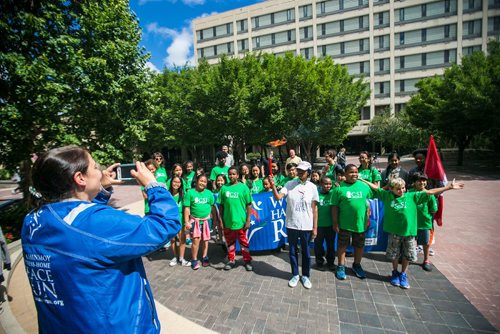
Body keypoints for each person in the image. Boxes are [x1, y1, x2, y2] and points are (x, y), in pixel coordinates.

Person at [22, 146, 181, 332]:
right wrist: (154, 186)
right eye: (95, 167)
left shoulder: (33, 221)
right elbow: (166, 223)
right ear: (80, 178)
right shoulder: (94, 224)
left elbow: (83, 236)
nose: (100, 172)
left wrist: (100, 189)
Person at [360, 176, 463, 289]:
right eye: (398, 189)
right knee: (394, 255)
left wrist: (448, 187)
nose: (401, 191)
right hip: (394, 232)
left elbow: (430, 192)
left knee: (407, 255)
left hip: (408, 233)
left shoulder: (412, 196)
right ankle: (395, 272)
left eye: (403, 188)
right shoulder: (387, 196)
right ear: (392, 189)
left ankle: (403, 274)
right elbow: (376, 188)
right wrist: (362, 180)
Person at [271, 161, 318, 289]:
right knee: (292, 251)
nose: (300, 173)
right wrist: (273, 185)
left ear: (309, 172)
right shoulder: (289, 184)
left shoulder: (313, 187)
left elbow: (314, 209)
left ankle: (306, 276)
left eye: (303, 171)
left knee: (306, 252)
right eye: (299, 170)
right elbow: (278, 197)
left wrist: (315, 228)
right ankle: (295, 274)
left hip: (307, 225)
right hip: (291, 224)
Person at [331, 164, 373, 280]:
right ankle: (340, 266)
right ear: (345, 174)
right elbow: (334, 207)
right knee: (342, 245)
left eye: (355, 172)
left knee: (359, 246)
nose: (354, 174)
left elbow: (374, 193)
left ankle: (357, 265)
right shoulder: (339, 188)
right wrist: (335, 223)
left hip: (360, 224)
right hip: (344, 224)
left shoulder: (364, 186)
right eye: (351, 172)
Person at [218, 167, 253, 271]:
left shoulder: (244, 188)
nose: (231, 176)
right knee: (230, 243)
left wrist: (248, 220)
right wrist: (221, 220)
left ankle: (247, 260)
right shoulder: (224, 188)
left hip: (241, 222)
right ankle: (231, 260)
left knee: (244, 243)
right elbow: (221, 206)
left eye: (234, 174)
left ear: (238, 175)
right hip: (228, 222)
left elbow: (249, 205)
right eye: (230, 174)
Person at [183, 174, 217, 270]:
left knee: (206, 240)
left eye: (205, 182)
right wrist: (187, 222)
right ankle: (194, 259)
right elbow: (187, 208)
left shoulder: (209, 193)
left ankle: (204, 257)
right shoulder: (190, 193)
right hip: (195, 221)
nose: (202, 183)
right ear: (197, 181)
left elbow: (212, 208)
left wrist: (214, 220)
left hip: (207, 221)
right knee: (195, 241)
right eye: (201, 181)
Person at [409, 172, 437, 272]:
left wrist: (429, 220)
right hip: (411, 223)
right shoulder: (409, 193)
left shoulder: (430, 194)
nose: (422, 182)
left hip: (424, 223)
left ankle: (426, 260)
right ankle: (407, 257)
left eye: (424, 180)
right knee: (409, 242)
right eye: (419, 180)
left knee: (425, 243)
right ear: (414, 182)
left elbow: (433, 209)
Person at [168, 175, 191, 267]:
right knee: (172, 240)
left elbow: (187, 209)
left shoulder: (184, 195)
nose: (176, 184)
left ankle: (181, 258)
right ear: (171, 182)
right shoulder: (167, 195)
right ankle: (175, 257)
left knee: (182, 239)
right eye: (174, 182)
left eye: (178, 182)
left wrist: (187, 221)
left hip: (181, 220)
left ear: (181, 184)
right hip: (170, 221)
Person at [315, 177, 335, 271]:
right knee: (318, 246)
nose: (328, 186)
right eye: (326, 184)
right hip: (319, 226)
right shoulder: (316, 195)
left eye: (330, 184)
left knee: (331, 245)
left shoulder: (333, 193)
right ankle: (319, 262)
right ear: (320, 185)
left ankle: (331, 262)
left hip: (331, 225)